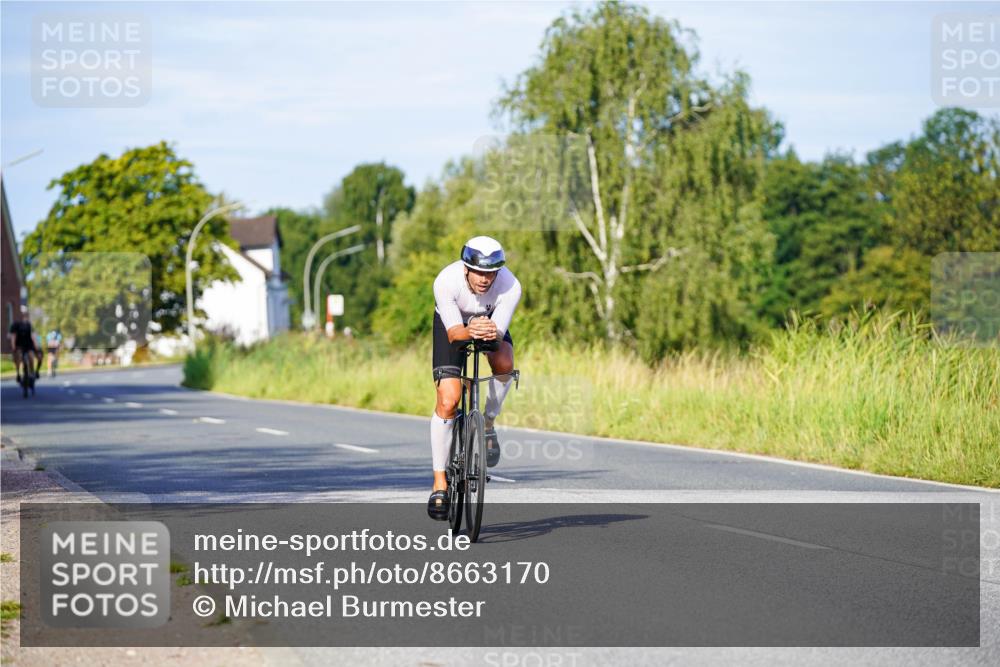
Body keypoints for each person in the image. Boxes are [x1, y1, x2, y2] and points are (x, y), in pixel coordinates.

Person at [428, 236, 521, 520]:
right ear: (466, 268)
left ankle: (488, 423)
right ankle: (439, 482)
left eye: (490, 273)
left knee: (504, 362)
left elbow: (497, 334)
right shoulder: (446, 281)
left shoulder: (511, 285)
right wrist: (471, 329)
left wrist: (487, 331)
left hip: (490, 324)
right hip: (453, 326)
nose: (484, 279)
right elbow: (454, 334)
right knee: (449, 400)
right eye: (478, 272)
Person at [8, 307, 41, 384]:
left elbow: (32, 336)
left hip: (28, 345)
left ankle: (32, 373)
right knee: (18, 358)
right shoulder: (15, 324)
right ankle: (18, 373)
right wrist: (13, 347)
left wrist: (36, 346)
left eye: (25, 314)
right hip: (19, 345)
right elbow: (13, 336)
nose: (24, 315)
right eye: (23, 314)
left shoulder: (28, 324)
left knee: (31, 357)